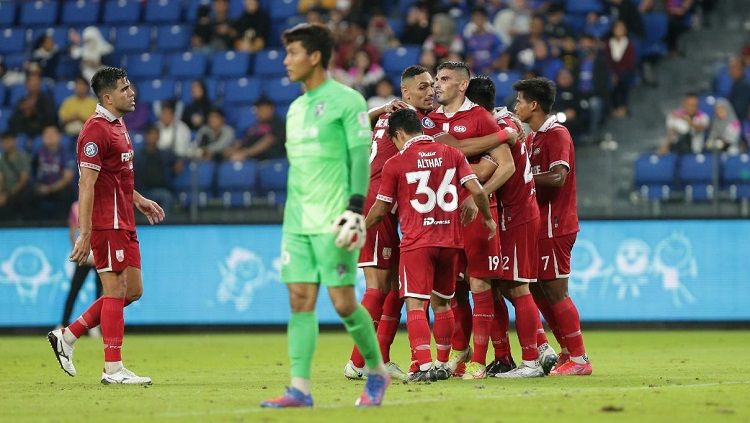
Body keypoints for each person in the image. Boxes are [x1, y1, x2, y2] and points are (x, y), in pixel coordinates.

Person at [259, 23, 389, 409]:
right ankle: (299, 388)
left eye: (292, 53)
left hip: (335, 219)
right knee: (299, 300)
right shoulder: (295, 109)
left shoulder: (348, 101)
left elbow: (357, 158)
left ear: (314, 56)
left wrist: (354, 208)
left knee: (345, 302)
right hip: (296, 221)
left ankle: (377, 371)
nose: (286, 61)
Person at [47, 67, 165, 385]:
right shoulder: (95, 131)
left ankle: (68, 336)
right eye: (125, 88)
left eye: (131, 86)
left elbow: (116, 175)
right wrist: (85, 233)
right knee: (114, 291)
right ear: (108, 97)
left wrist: (138, 199)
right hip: (106, 223)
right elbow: (87, 184)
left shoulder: (118, 125)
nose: (132, 92)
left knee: (133, 291)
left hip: (125, 219)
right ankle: (113, 368)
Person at [365, 108, 496, 382]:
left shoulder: (396, 163)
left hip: (417, 243)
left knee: (415, 305)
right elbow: (479, 191)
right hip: (450, 241)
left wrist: (359, 231)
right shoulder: (452, 154)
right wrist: (488, 219)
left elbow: (379, 210)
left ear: (398, 135)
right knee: (443, 304)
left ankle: (424, 366)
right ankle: (442, 363)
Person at [344, 65, 436, 382]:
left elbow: (356, 123)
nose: (431, 91)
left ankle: (378, 357)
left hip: (386, 203)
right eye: (422, 87)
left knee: (395, 287)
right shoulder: (410, 122)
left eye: (432, 86)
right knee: (379, 286)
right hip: (377, 201)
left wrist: (382, 107)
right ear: (406, 93)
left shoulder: (390, 115)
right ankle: (360, 361)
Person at [466, 76, 558, 378]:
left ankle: (533, 357)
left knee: (518, 286)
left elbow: (490, 168)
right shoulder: (504, 122)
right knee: (499, 285)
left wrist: (450, 155)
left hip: (516, 215)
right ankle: (513, 355)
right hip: (509, 215)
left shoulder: (499, 127)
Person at [422, 61, 506, 379]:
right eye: (436, 79)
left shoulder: (480, 117)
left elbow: (503, 162)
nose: (437, 85)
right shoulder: (428, 121)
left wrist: (476, 195)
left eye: (444, 80)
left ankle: (479, 362)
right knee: (450, 287)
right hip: (442, 215)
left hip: (474, 213)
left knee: (480, 282)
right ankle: (459, 351)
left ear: (461, 85)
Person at [513, 77, 592, 376]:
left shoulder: (557, 133)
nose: (516, 106)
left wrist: (522, 179)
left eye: (520, 101)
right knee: (536, 289)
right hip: (538, 224)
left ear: (534, 105)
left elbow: (558, 178)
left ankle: (581, 358)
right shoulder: (532, 138)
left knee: (556, 290)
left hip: (555, 224)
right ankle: (567, 352)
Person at [59, 201, 103, 334]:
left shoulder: (100, 205)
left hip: (98, 254)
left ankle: (96, 326)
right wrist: (78, 250)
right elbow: (72, 232)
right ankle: (63, 323)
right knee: (74, 290)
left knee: (99, 294)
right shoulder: (76, 207)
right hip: (84, 254)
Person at [31, 125, 75, 219]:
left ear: (59, 136)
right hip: (41, 187)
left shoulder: (66, 153)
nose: (50, 137)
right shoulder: (37, 153)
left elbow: (68, 177)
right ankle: (31, 226)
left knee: (68, 193)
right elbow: (32, 173)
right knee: (28, 194)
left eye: (52, 134)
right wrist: (38, 187)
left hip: (59, 188)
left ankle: (64, 224)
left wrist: (50, 189)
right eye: (47, 134)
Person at [8, 70, 56, 137]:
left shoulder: (47, 100)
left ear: (39, 84)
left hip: (41, 134)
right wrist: (24, 114)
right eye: (31, 82)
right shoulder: (21, 102)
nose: (33, 84)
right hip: (22, 133)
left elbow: (50, 120)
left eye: (36, 82)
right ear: (26, 85)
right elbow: (12, 121)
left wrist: (33, 112)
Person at [0, 132, 32, 220]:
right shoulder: (1, 159)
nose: (7, 144)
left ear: (15, 141)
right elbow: (1, 178)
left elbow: (24, 179)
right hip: (6, 191)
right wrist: (1, 193)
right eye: (4, 141)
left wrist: (8, 194)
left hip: (20, 190)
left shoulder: (23, 156)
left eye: (9, 141)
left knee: (24, 197)